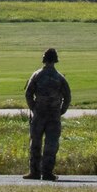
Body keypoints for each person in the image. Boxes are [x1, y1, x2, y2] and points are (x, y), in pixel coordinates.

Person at [24, 47, 71, 180]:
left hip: (39, 114)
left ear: (44, 59)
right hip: (54, 115)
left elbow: (28, 94)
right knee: (51, 143)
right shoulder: (60, 77)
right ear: (55, 60)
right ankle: (47, 172)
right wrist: (61, 111)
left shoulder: (37, 75)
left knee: (35, 143)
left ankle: (34, 172)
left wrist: (34, 108)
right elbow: (67, 97)